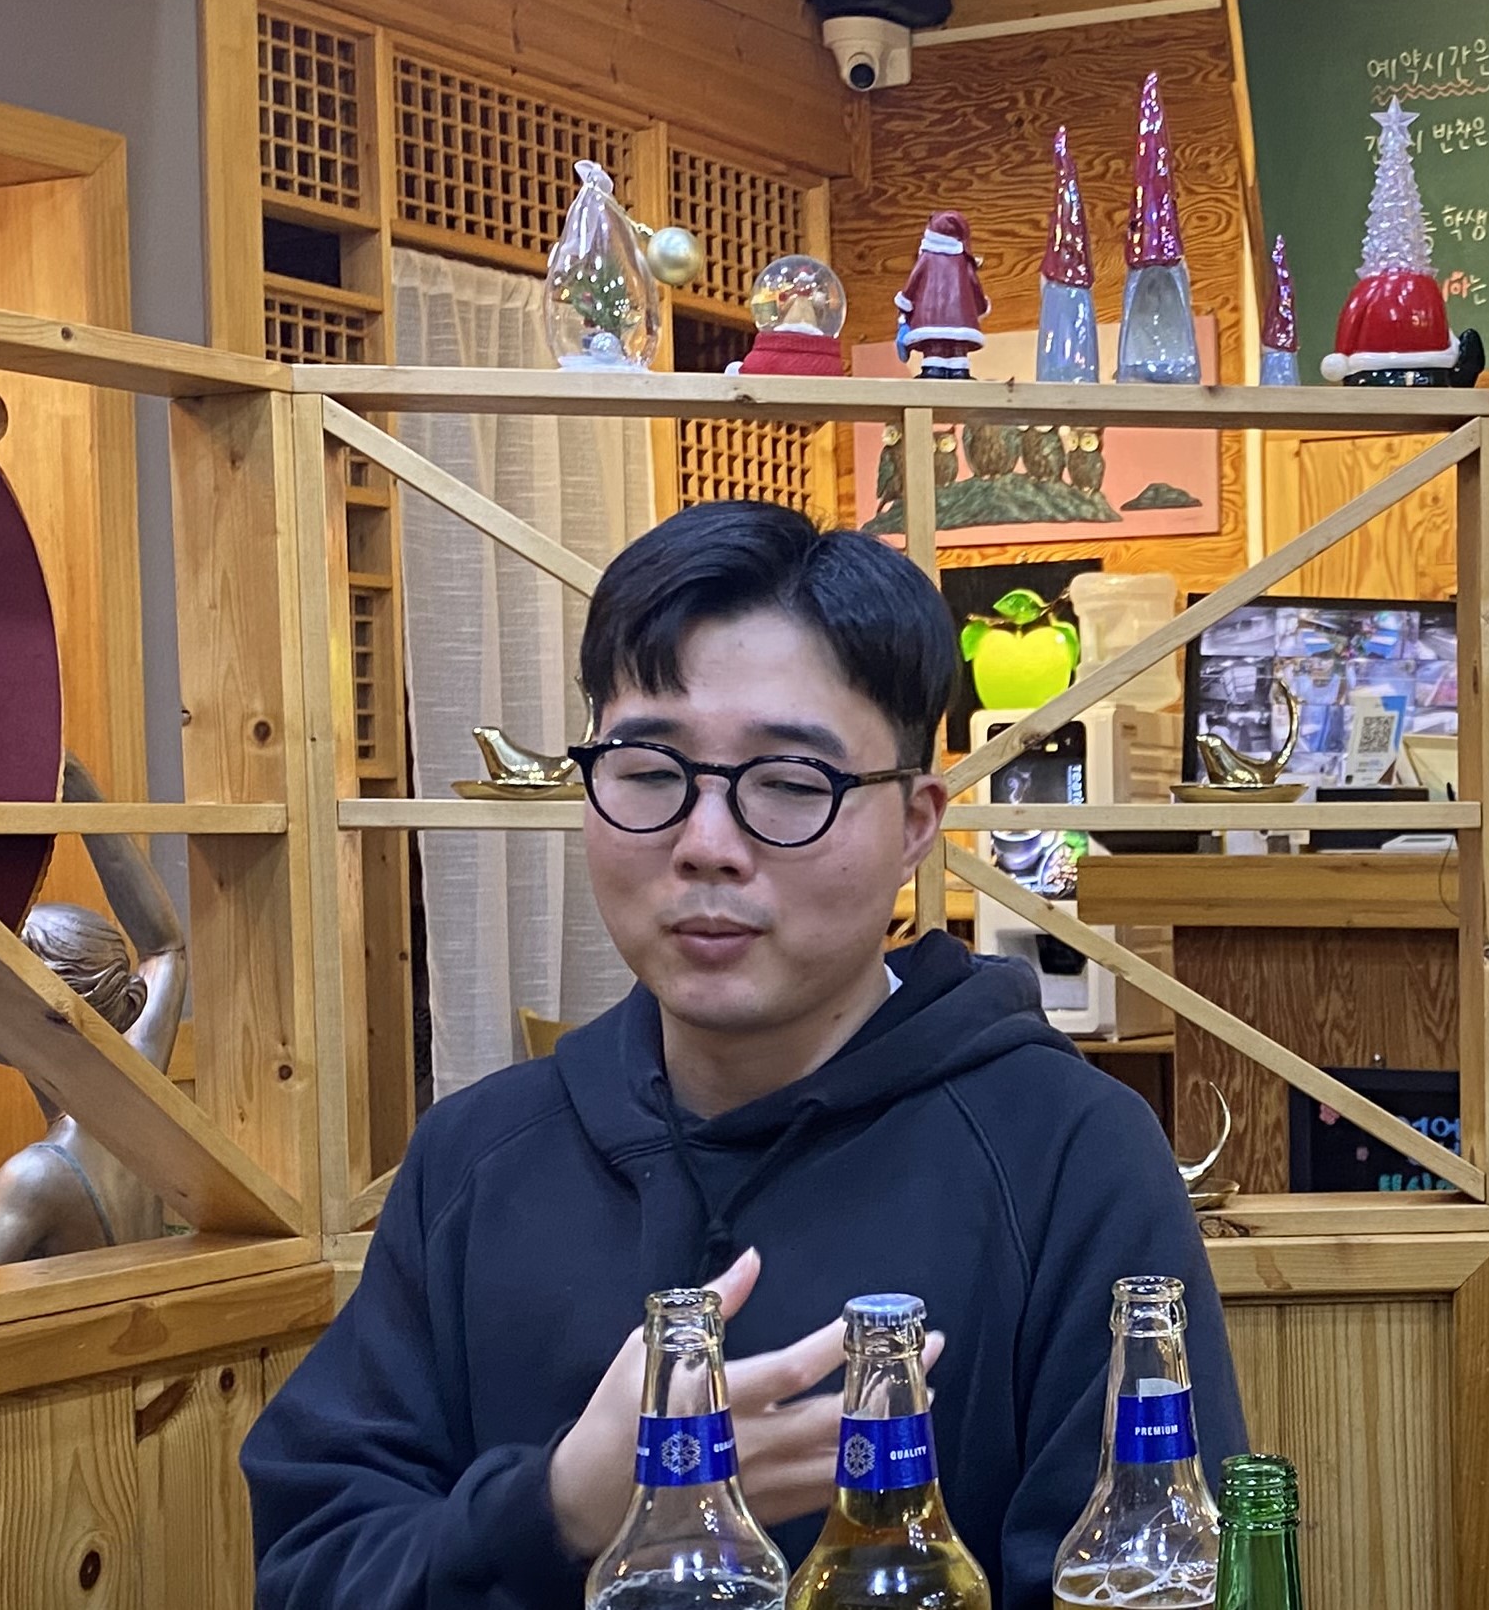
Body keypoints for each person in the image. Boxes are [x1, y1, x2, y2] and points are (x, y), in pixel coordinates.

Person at [245, 501, 1244, 1610]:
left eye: (790, 783)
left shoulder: (1067, 1153)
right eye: (648, 770)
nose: (707, 844)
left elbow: (1149, 1574)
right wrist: (563, 1510)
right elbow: (313, 1567)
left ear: (916, 824)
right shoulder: (477, 1156)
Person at [0, 755, 188, 1269]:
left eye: (8, 976)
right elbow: (164, 947)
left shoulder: (37, 1178)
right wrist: (78, 786)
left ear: (60, 1014)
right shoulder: (134, 1101)